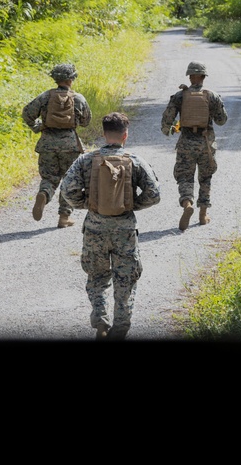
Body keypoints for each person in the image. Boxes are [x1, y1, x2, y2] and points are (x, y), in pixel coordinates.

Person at [58, 112, 161, 341]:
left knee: (97, 277)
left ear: (104, 134)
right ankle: (121, 325)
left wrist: (87, 204)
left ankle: (101, 318)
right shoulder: (135, 160)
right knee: (126, 279)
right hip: (125, 230)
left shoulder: (86, 160)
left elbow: (66, 190)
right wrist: (131, 205)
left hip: (95, 228)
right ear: (125, 135)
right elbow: (154, 194)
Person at [22, 63, 92, 228]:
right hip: (70, 146)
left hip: (47, 144)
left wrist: (37, 126)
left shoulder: (45, 97)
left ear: (55, 78)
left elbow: (27, 113)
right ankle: (63, 217)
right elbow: (86, 121)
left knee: (49, 178)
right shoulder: (78, 98)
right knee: (69, 180)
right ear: (71, 79)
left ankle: (44, 194)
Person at [160, 61, 228, 231]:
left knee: (184, 177)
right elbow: (222, 121)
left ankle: (187, 203)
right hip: (206, 144)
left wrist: (171, 130)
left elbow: (166, 123)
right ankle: (203, 214)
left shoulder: (179, 96)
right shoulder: (211, 96)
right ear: (204, 77)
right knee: (205, 178)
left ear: (189, 77)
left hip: (185, 144)